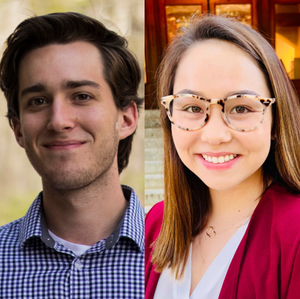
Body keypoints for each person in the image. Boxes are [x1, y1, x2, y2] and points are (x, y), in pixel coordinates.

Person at [145, 15, 300, 299]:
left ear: (276, 121)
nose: (215, 135)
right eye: (192, 107)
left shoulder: (295, 235)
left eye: (241, 108)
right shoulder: (154, 224)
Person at [0, 12, 144, 299]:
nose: (58, 121)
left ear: (126, 119)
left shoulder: (188, 256)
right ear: (17, 129)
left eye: (81, 96)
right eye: (38, 101)